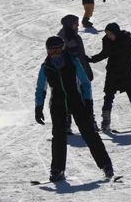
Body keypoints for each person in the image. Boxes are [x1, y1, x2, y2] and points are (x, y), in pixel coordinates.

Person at [35, 37, 114, 182]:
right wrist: (38, 107)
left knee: (89, 132)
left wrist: (88, 102)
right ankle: (57, 169)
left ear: (63, 48)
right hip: (57, 103)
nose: (55, 53)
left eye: (57, 49)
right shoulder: (46, 66)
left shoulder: (72, 61)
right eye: (51, 50)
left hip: (75, 100)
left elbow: (85, 82)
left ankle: (106, 165)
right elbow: (41, 88)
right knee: (58, 136)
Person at [89, 23, 131, 132]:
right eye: (107, 34)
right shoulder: (106, 40)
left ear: (116, 32)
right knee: (108, 96)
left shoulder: (127, 40)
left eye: (110, 34)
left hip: (126, 72)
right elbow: (104, 54)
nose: (109, 36)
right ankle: (105, 123)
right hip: (112, 72)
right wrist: (91, 59)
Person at [58, 15, 98, 133]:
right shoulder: (61, 39)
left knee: (85, 98)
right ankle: (66, 124)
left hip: (80, 74)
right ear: (69, 24)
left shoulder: (76, 37)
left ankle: (89, 122)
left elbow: (81, 56)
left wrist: (87, 71)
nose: (78, 26)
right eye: (76, 23)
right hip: (68, 74)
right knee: (69, 99)